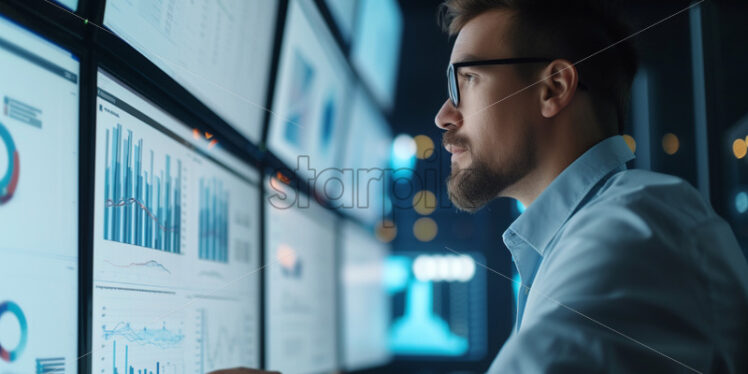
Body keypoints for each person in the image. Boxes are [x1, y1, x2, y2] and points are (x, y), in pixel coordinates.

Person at [213, 0, 748, 373]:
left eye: (466, 80)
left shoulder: (636, 229)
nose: (444, 115)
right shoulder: (579, 236)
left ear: (553, 88)